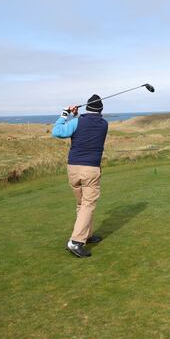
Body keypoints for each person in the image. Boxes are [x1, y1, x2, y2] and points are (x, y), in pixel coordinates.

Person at [52, 94, 109, 258]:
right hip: (90, 169)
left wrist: (66, 114)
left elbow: (57, 132)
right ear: (101, 111)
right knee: (87, 204)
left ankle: (87, 235)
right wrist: (76, 116)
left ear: (87, 108)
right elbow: (89, 125)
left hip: (73, 168)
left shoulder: (77, 122)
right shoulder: (104, 124)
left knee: (81, 204)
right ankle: (76, 242)